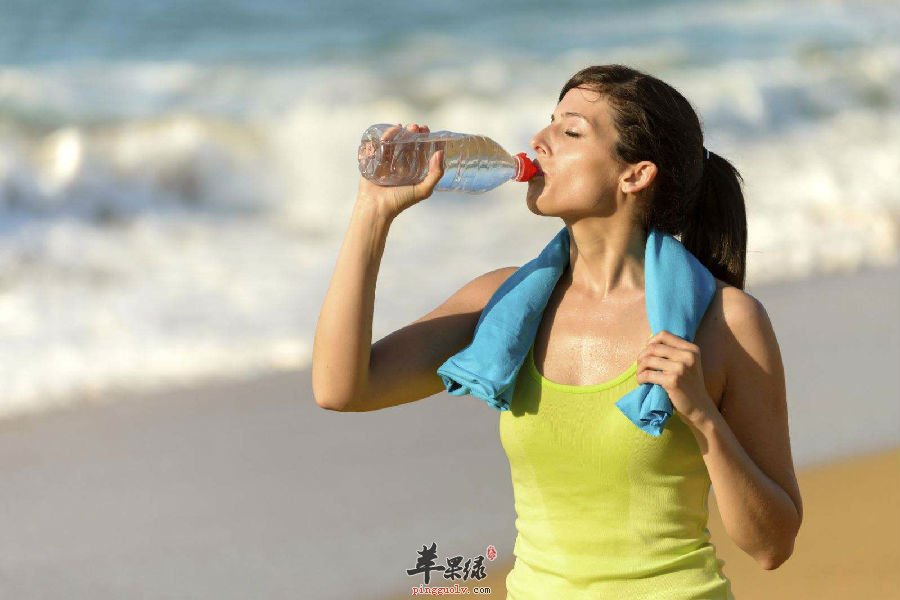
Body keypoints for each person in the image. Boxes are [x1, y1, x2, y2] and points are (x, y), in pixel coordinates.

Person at [312, 64, 803, 598]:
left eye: (570, 131)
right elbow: (341, 388)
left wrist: (705, 420)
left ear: (634, 174)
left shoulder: (726, 322)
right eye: (549, 122)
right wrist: (372, 211)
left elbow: (772, 545)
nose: (538, 141)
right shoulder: (501, 305)